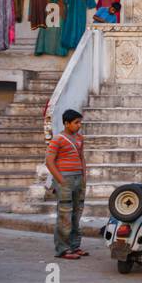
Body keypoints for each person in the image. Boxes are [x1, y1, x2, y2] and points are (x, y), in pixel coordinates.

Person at [46, 109, 87, 259]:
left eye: (80, 122)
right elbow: (49, 161)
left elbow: (82, 158)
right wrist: (61, 180)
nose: (79, 125)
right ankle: (63, 249)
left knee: (77, 214)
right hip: (65, 180)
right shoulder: (58, 139)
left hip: (78, 180)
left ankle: (75, 246)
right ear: (66, 123)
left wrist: (84, 177)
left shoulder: (80, 138)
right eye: (76, 122)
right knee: (64, 214)